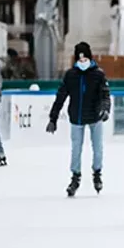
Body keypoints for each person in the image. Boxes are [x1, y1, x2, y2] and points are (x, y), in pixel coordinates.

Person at [47, 42, 111, 196]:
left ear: (90, 58)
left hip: (95, 117)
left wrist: (105, 109)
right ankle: (75, 176)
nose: (83, 63)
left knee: (98, 147)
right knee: (76, 148)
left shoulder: (98, 74)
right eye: (80, 60)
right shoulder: (71, 75)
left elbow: (105, 95)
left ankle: (97, 174)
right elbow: (60, 97)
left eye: (85, 60)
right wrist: (53, 118)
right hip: (76, 117)